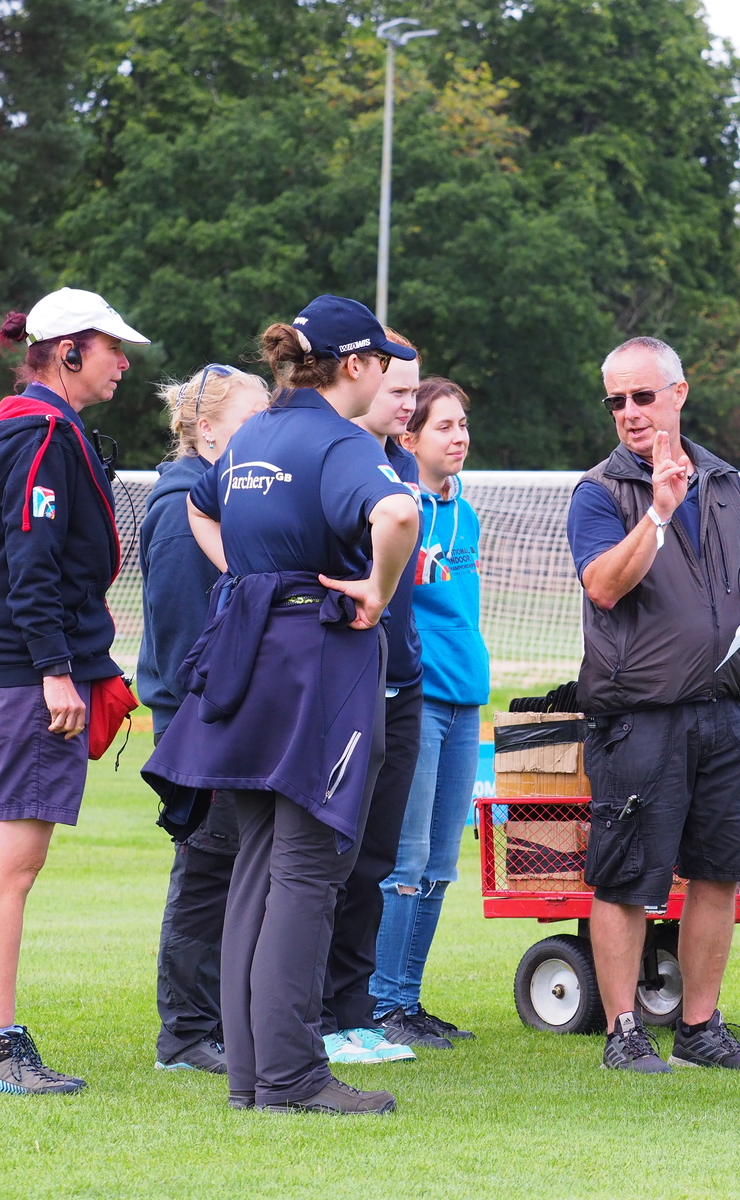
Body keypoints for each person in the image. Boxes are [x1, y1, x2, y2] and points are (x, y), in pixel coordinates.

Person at [141, 294, 419, 1116]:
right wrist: (378, 586)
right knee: (305, 869)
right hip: (317, 669)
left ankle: (251, 1078)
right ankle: (294, 1078)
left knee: (256, 867)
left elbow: (200, 502)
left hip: (246, 655)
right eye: (383, 365)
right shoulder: (338, 440)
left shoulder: (254, 435)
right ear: (357, 365)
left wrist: (251, 578)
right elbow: (399, 511)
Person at [0, 287, 150, 1094]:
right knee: (8, 866)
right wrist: (55, 669)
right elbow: (30, 567)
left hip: (15, 672)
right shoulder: (39, 434)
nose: (123, 363)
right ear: (67, 350)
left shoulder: (32, 428)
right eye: (111, 348)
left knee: (11, 864)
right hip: (24, 678)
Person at [564, 336, 740, 1075]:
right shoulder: (599, 491)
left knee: (719, 872)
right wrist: (655, 515)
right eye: (616, 400)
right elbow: (604, 586)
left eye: (642, 396)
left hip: (722, 709)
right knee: (626, 879)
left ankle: (700, 1026)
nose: (629, 412)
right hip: (638, 718)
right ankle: (624, 1032)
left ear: (678, 394)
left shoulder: (725, 482)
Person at [136, 365, 269, 1075]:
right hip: (201, 719)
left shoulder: (220, 498)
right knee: (207, 867)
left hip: (223, 713)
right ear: (207, 428)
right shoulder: (184, 504)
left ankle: (214, 1023)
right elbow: (187, 633)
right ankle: (186, 1035)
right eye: (251, 422)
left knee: (225, 866)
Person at [315, 329, 424, 1066]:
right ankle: (317, 1016)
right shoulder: (332, 462)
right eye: (398, 390)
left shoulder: (403, 463)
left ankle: (353, 1013)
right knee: (328, 859)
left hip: (402, 682)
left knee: (377, 860)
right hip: (342, 685)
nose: (409, 404)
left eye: (417, 391)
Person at [370, 377, 488, 1048]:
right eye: (444, 425)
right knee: (405, 862)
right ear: (408, 439)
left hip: (466, 702)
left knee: (442, 863)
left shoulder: (465, 514)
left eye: (463, 423)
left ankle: (406, 1000)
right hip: (416, 702)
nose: (460, 436)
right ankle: (381, 1003)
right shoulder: (396, 510)